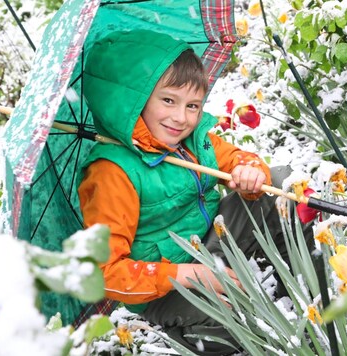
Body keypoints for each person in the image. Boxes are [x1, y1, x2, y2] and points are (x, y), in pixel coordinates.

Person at [77, 29, 297, 355]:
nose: (182, 118)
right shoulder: (114, 173)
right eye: (168, 100)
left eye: (193, 105)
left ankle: (288, 275)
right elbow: (105, 272)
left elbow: (236, 157)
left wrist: (248, 169)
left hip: (209, 245)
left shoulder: (192, 141)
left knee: (277, 183)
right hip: (166, 286)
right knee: (241, 323)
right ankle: (183, 335)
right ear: (134, 100)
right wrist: (189, 275)